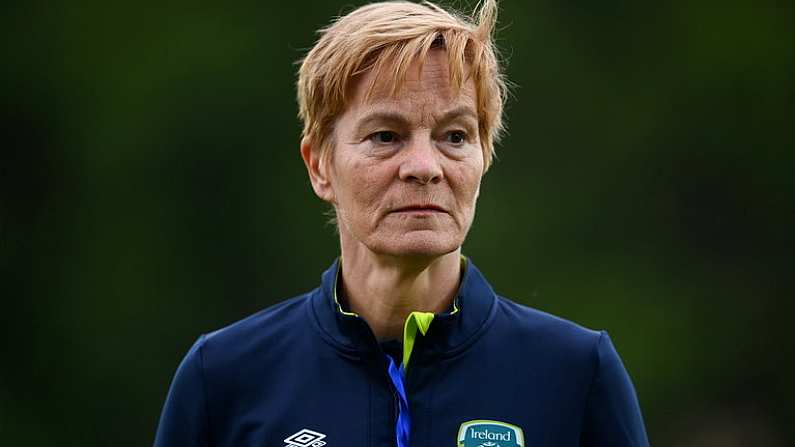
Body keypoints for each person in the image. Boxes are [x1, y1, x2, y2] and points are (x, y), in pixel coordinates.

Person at [154, 0, 649, 446]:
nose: (424, 166)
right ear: (319, 165)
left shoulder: (576, 373)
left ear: (484, 157)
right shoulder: (223, 378)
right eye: (386, 135)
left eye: (454, 136)